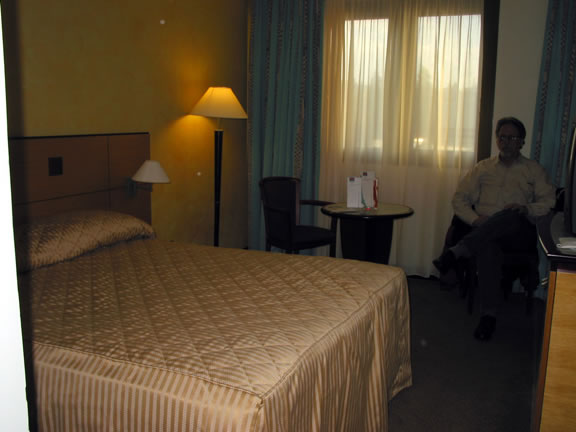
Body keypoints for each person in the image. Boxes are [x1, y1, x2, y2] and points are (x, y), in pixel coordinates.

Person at [433, 116, 556, 341]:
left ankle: (457, 251)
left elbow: (549, 202)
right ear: (497, 140)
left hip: (517, 232)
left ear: (522, 141)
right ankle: (488, 316)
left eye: (512, 138)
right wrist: (475, 220)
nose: (506, 142)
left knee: (510, 213)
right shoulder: (483, 167)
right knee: (488, 246)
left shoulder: (534, 170)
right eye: (502, 137)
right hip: (484, 230)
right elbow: (459, 198)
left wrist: (527, 208)